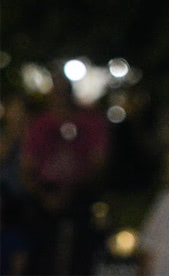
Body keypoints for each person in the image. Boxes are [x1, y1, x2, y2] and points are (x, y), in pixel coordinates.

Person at [20, 70, 109, 275]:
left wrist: (74, 190)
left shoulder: (89, 121)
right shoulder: (40, 124)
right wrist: (43, 195)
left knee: (79, 255)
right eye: (56, 91)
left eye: (63, 91)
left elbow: (99, 162)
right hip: (44, 196)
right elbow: (27, 165)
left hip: (81, 195)